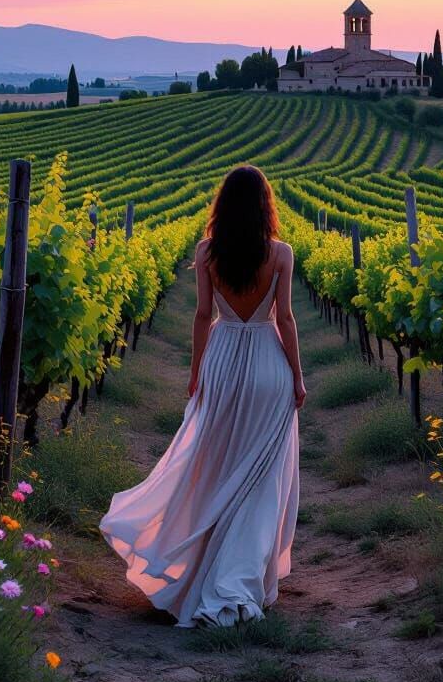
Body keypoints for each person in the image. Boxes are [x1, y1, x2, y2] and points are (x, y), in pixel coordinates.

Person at [100, 165, 305, 627]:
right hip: (268, 366)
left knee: (215, 463)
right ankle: (240, 579)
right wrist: (297, 377)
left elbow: (201, 315)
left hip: (223, 358)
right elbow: (286, 319)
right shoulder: (281, 254)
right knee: (260, 477)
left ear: (223, 206)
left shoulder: (207, 251)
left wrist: (196, 373)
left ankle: (206, 567)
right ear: (265, 206)